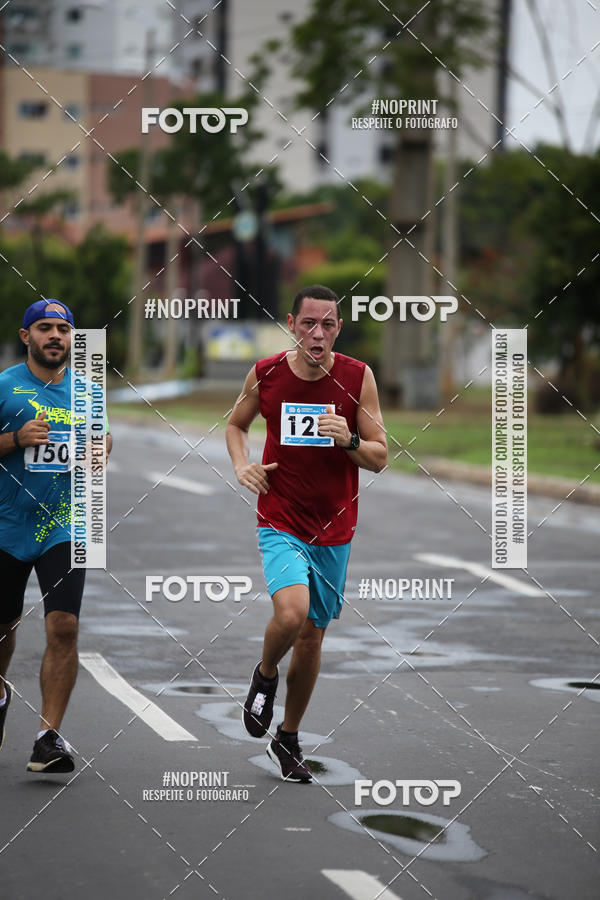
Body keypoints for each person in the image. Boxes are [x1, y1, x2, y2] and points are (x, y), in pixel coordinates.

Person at [226, 285, 387, 782]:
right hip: (281, 518)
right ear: (292, 324)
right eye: (309, 324)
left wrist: (349, 439)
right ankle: (265, 674)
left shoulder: (357, 377)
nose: (318, 334)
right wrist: (242, 466)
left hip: (335, 529)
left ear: (338, 329)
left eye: (328, 325)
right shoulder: (267, 373)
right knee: (292, 614)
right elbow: (236, 425)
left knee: (313, 638)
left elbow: (380, 456)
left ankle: (289, 737)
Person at [0, 300, 112, 773]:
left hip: (66, 523)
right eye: (44, 327)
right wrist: (15, 439)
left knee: (63, 625)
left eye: (63, 329)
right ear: (26, 336)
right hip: (6, 524)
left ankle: (48, 737)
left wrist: (101, 449)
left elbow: (103, 438)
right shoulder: (4, 386)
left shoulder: (88, 391)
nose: (55, 336)